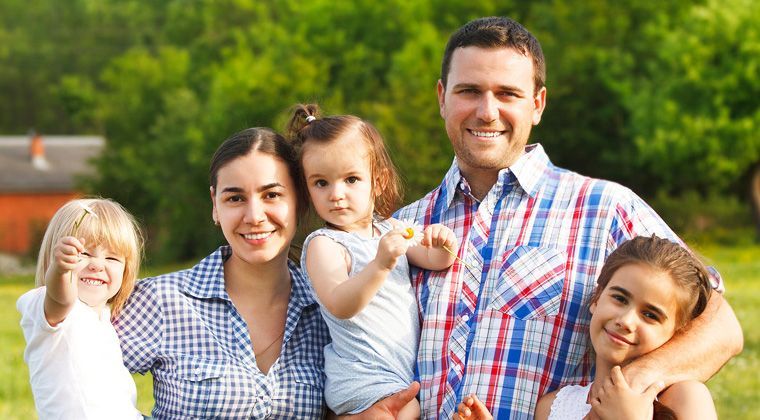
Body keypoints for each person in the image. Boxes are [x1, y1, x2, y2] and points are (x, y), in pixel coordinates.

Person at [363, 16, 742, 419]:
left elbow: (720, 326)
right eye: (469, 91)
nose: (487, 111)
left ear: (537, 104)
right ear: (442, 97)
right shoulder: (399, 229)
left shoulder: (604, 208)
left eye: (507, 93)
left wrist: (637, 382)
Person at [113, 128, 331, 418]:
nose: (254, 216)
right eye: (235, 199)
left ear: (301, 200)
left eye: (272, 195)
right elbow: (77, 383)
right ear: (215, 204)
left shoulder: (329, 310)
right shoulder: (161, 301)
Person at [286, 104, 457, 418]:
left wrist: (444, 242)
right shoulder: (324, 245)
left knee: (409, 408)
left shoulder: (390, 229)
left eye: (351, 179)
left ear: (376, 182)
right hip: (360, 376)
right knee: (408, 411)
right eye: (321, 183)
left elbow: (435, 259)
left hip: (396, 372)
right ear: (308, 189)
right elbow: (340, 303)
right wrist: (380, 265)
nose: (336, 194)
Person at [456, 235, 717, 419]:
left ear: (676, 332)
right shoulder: (555, 407)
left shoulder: (684, 398)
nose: (626, 320)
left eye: (650, 314)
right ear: (596, 298)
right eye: (619, 298)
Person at [17, 198, 144, 419]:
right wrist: (61, 271)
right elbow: (60, 298)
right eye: (84, 254)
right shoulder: (53, 310)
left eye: (112, 257)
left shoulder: (103, 319)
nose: (97, 264)